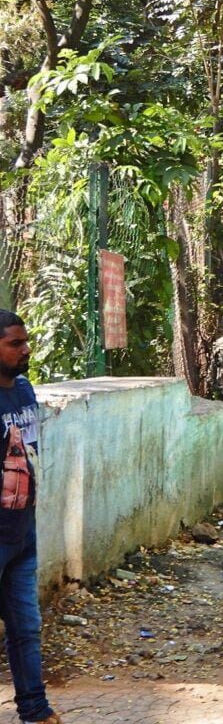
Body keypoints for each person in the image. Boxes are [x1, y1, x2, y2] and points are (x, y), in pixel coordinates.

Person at [0, 310, 62, 724]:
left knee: (26, 627)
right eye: (15, 344)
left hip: (22, 530)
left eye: (25, 342)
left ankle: (36, 711)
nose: (25, 350)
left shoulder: (24, 391)